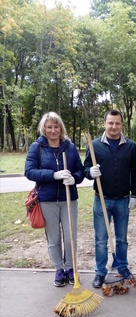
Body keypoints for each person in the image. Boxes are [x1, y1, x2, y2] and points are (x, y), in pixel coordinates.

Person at [25, 112, 84, 287]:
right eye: (49, 127)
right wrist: (54, 175)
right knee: (54, 238)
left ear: (61, 128)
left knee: (70, 237)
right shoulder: (37, 147)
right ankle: (59, 269)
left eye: (56, 126)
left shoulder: (70, 147)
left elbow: (80, 172)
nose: (53, 130)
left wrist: (74, 178)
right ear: (44, 128)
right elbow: (29, 171)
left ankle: (70, 268)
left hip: (69, 199)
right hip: (47, 199)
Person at [84, 110, 136, 288]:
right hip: (102, 199)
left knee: (122, 238)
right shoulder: (94, 145)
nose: (114, 127)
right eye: (110, 123)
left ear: (122, 124)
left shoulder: (130, 146)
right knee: (101, 239)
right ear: (105, 123)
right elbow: (85, 168)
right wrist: (90, 173)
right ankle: (100, 272)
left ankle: (122, 266)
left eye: (117, 123)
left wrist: (134, 194)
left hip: (123, 200)